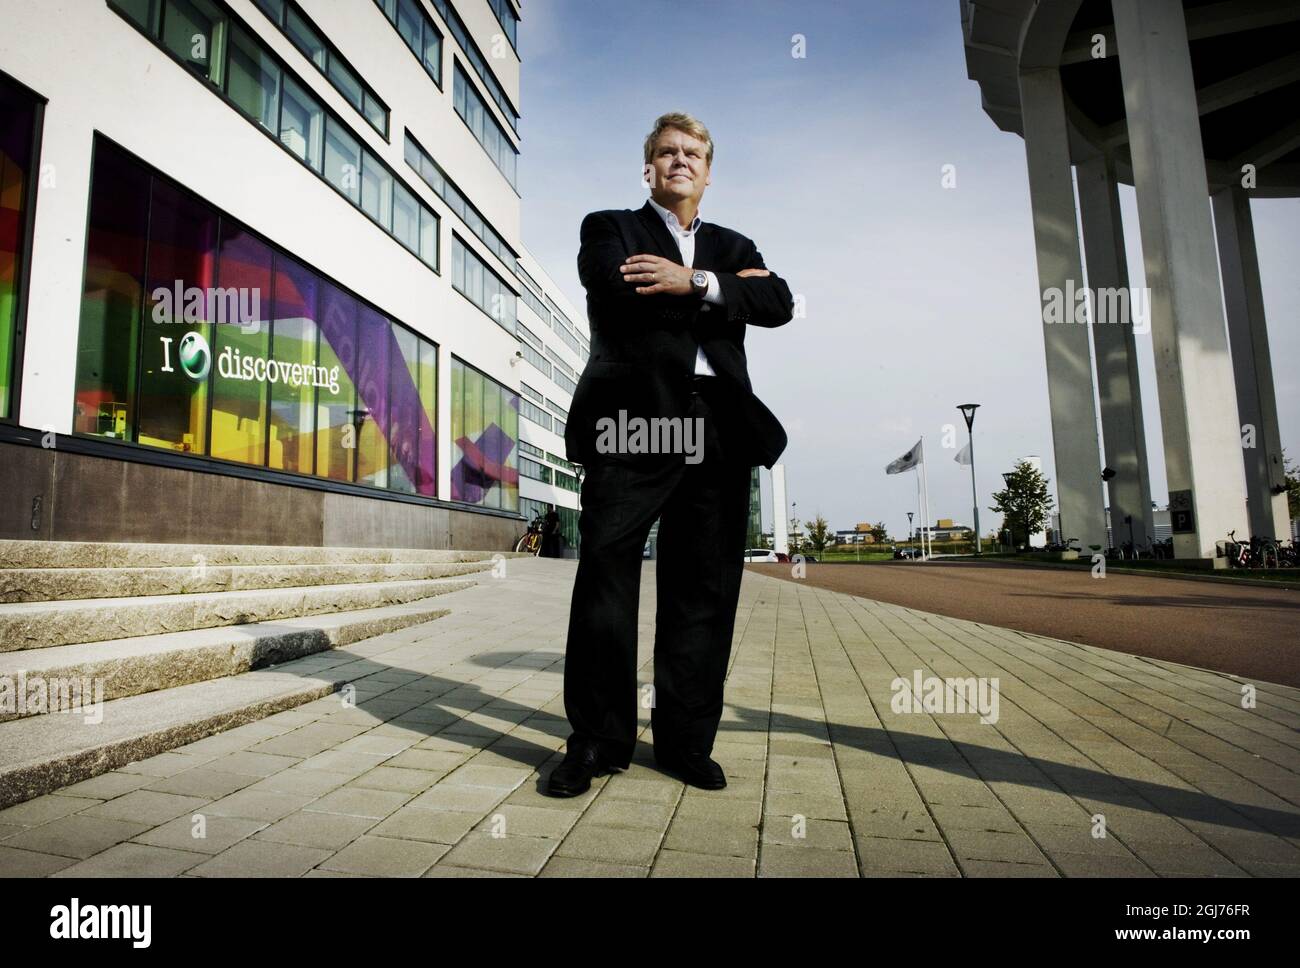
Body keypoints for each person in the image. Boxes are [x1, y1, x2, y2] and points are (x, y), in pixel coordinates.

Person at [546, 112, 794, 797]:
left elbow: (777, 301)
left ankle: (685, 742)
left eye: (692, 153)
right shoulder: (610, 227)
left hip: (718, 424)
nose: (679, 160)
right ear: (649, 168)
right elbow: (615, 285)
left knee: (705, 588)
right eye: (665, 152)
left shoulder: (732, 241)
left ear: (708, 171)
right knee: (606, 575)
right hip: (634, 419)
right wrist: (728, 291)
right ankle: (597, 739)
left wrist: (697, 283)